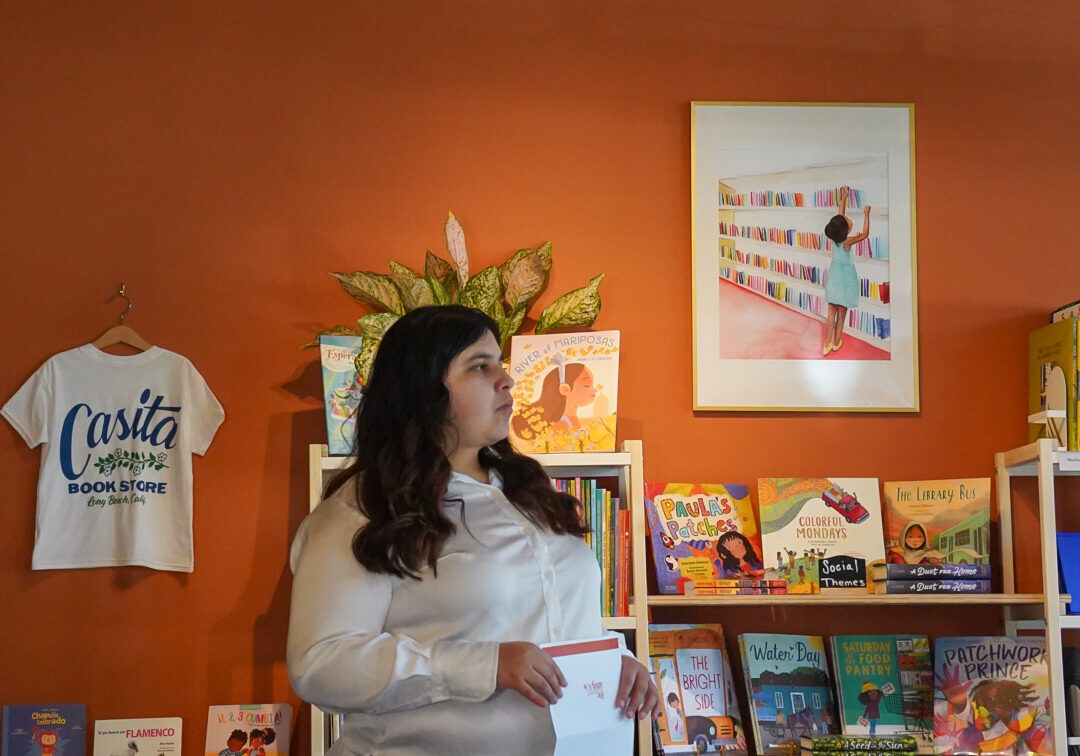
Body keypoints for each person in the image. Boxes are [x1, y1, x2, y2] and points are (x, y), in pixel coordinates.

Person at [287, 305, 659, 755]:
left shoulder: (531, 493)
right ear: (423, 392)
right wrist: (483, 665)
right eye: (480, 366)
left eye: (500, 364)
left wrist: (615, 660)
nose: (506, 380)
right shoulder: (365, 509)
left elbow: (556, 623)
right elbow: (320, 664)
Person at [822, 186, 871, 356]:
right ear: (846, 230)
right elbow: (864, 235)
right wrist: (866, 214)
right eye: (848, 222)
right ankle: (837, 342)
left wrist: (843, 198)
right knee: (842, 314)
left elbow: (840, 215)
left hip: (834, 277)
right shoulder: (848, 242)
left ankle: (826, 345)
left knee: (831, 314)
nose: (848, 220)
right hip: (846, 279)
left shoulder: (835, 238)